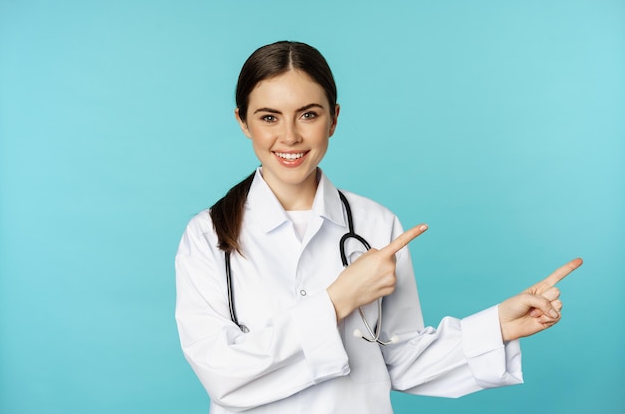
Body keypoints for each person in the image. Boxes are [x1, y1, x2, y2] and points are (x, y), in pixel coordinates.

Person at [175, 41, 582, 414]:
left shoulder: (376, 224)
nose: (289, 136)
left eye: (309, 115)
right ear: (243, 121)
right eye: (269, 117)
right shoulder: (207, 236)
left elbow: (401, 360)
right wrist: (339, 298)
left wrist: (498, 325)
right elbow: (221, 375)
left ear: (333, 119)